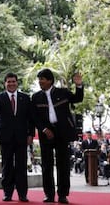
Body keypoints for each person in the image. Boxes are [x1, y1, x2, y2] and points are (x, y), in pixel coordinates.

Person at [31, 69, 83, 204]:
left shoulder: (63, 92)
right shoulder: (36, 97)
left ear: (50, 80)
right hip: (45, 134)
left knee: (63, 164)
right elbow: (34, 117)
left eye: (42, 79)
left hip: (62, 133)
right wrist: (43, 129)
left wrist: (78, 86)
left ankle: (62, 195)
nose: (40, 82)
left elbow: (78, 99)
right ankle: (49, 194)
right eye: (39, 79)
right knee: (46, 165)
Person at [0, 73, 34, 202]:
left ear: (17, 83)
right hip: (5, 137)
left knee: (21, 165)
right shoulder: (0, 98)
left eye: (13, 81)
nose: (11, 84)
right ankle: (7, 192)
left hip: (21, 137)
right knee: (6, 165)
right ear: (5, 84)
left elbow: (31, 118)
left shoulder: (25, 98)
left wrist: (31, 134)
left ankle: (22, 194)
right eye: (9, 82)